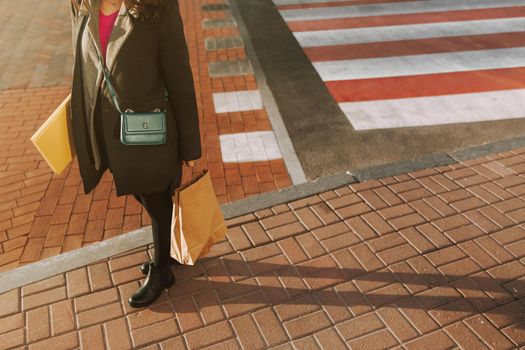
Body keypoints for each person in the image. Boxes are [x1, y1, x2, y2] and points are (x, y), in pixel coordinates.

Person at [69, 0, 202, 308]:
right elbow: (85, 62)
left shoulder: (158, 8)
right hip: (107, 126)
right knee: (139, 190)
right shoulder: (82, 5)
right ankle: (167, 251)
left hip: (148, 128)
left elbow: (179, 75)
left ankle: (162, 270)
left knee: (155, 195)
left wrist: (190, 144)